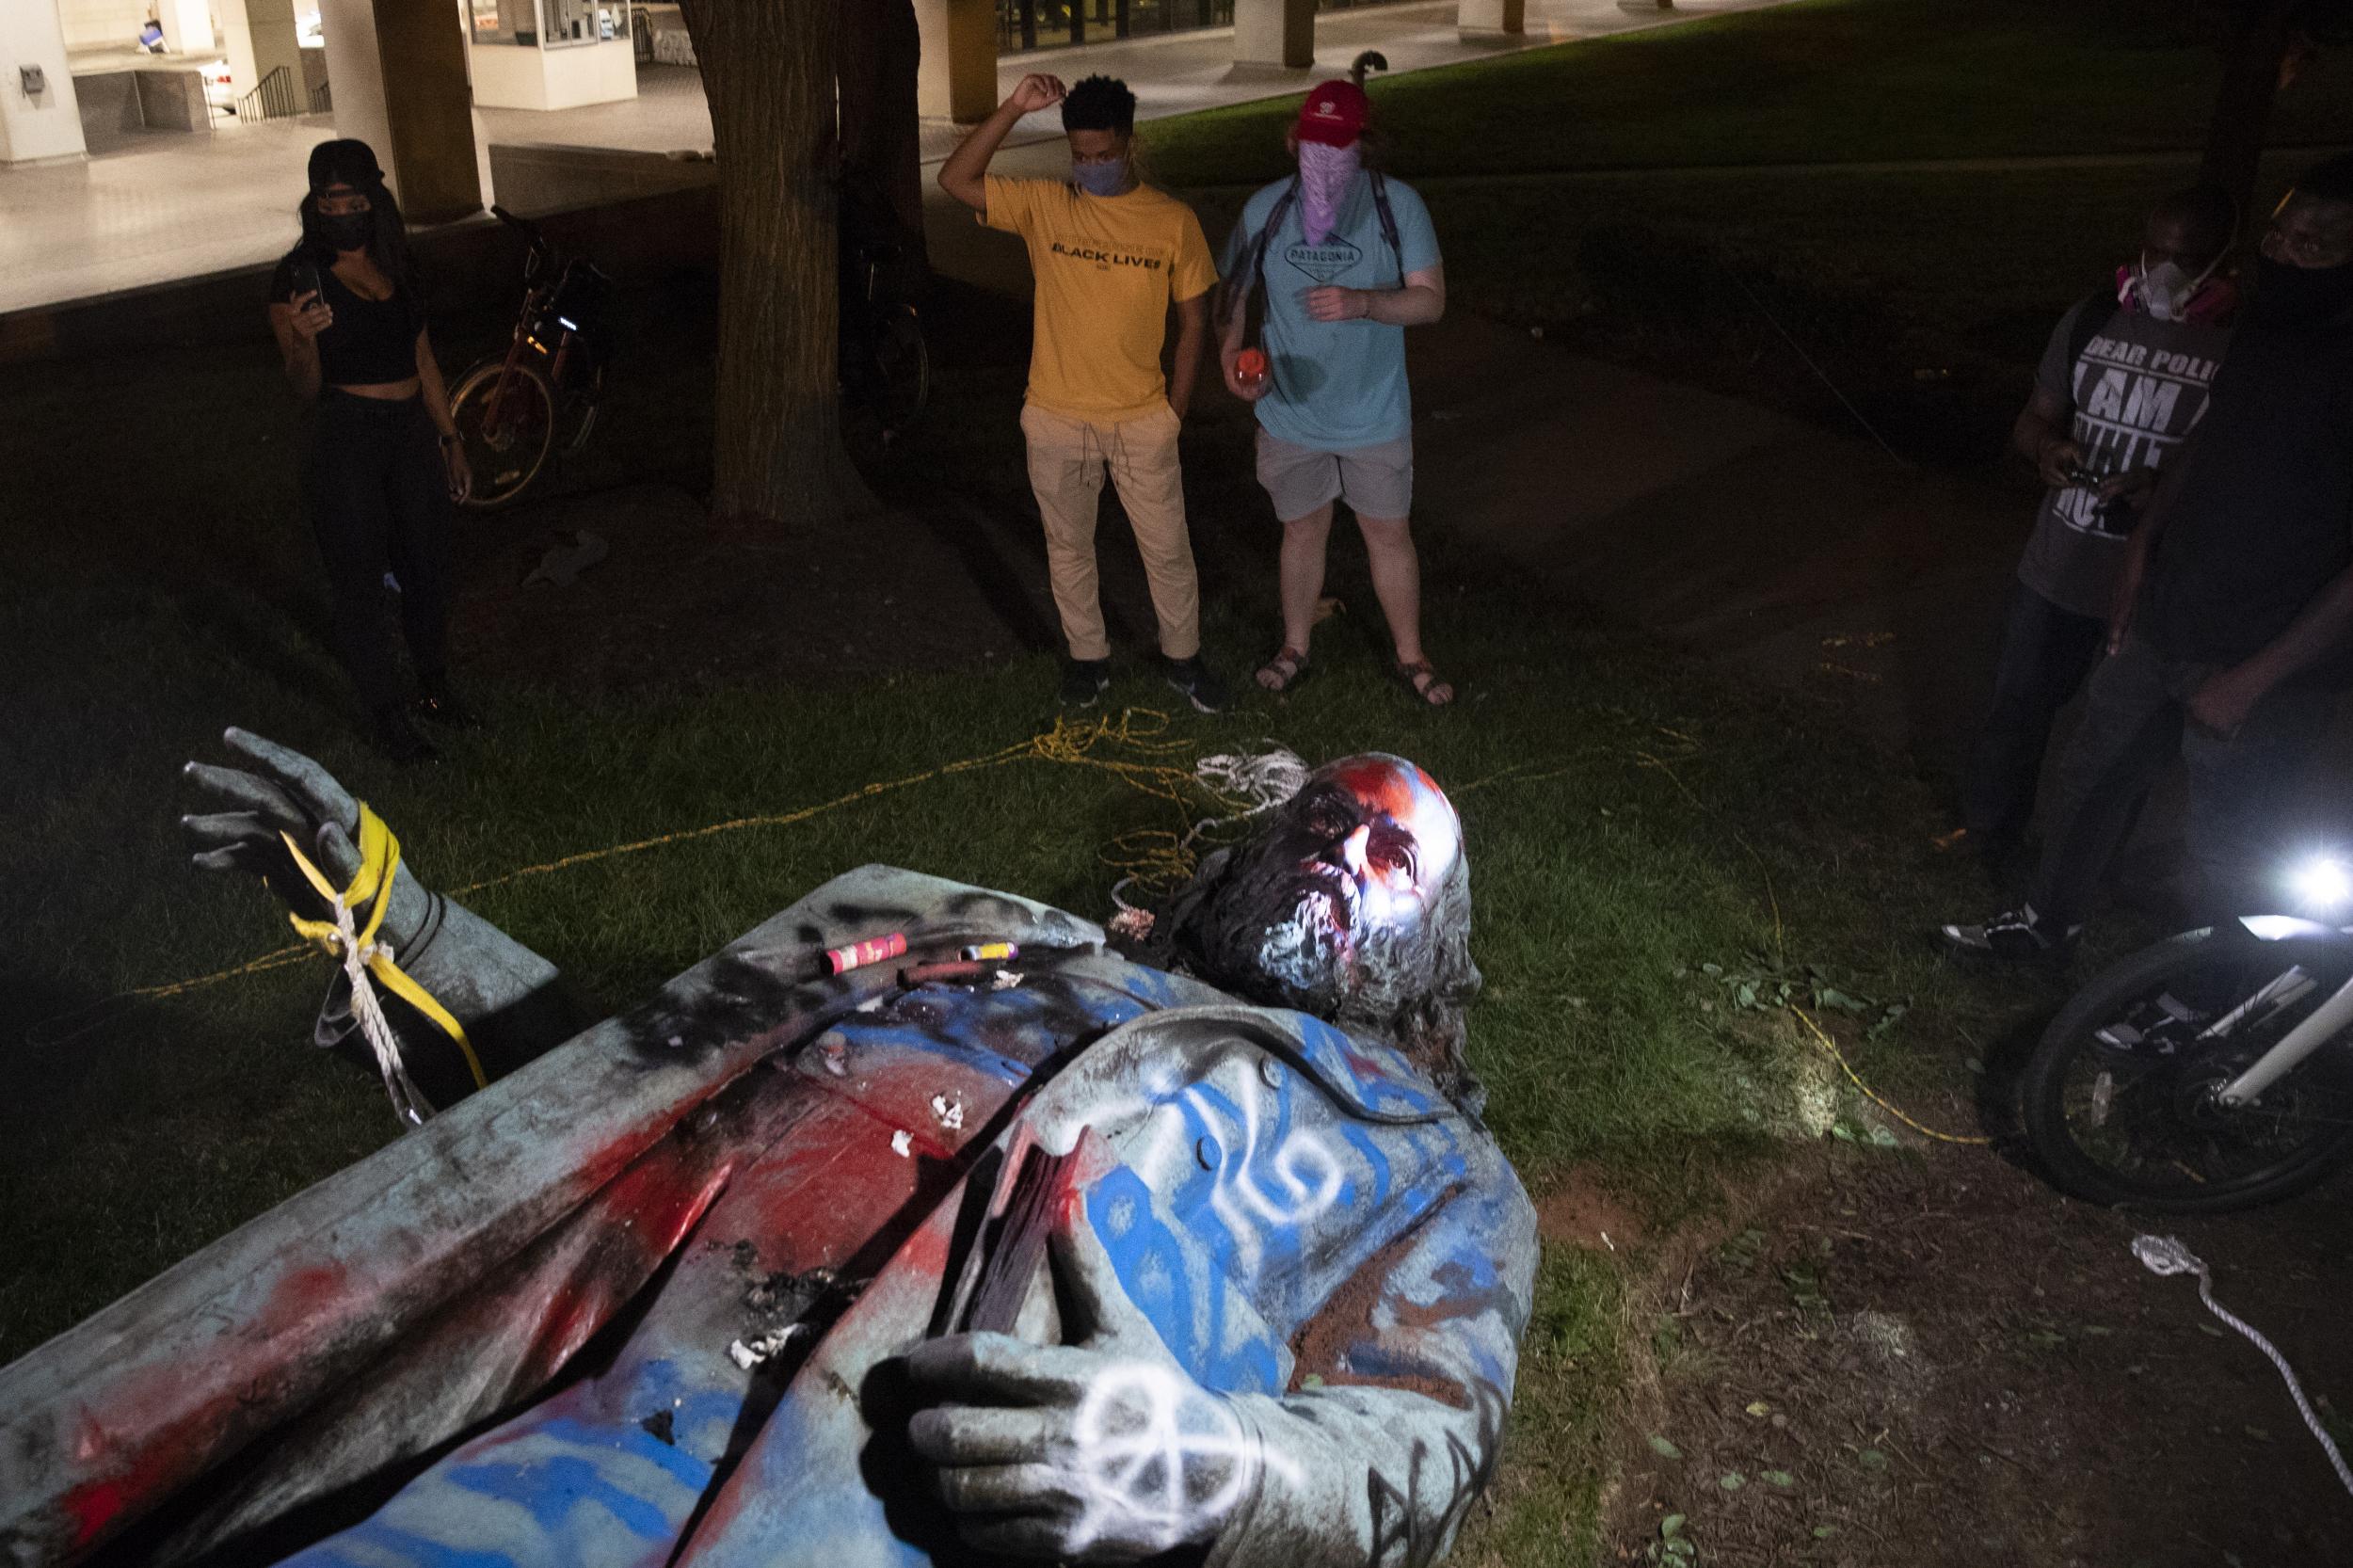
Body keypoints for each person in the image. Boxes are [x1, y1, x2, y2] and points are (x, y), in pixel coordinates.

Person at [8, 733, 1534, 1567]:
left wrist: (1210, 1471)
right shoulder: (968, 934)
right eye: (1329, 813)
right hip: (581, 1448)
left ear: (1431, 950)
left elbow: (1411, 1455)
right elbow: (627, 1088)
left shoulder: (1419, 1167)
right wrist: (398, 922)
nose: (1344, 843)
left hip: (875, 1519)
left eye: (1394, 851)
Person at [1944, 154, 2353, 961]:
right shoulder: (2271, 332)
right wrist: (2140, 552)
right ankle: (2044, 922)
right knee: (2093, 774)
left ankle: (2211, 1009)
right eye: (2281, 234)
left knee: (2233, 850)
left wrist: (2257, 677)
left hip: (2262, 656)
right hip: (2168, 614)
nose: (2288, 254)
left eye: (2315, 245)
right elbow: (2208, 445)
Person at [1959, 186, 2238, 872]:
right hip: (2056, 565)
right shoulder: (2090, 320)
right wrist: (2047, 450)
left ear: (2223, 262)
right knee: (2017, 712)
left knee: (2116, 746)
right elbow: (2033, 419)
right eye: (2157, 251)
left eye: (2189, 257)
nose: (2166, 271)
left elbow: (2238, 473)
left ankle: (2074, 873)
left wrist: (2161, 490)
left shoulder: (2242, 349)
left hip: (2148, 587)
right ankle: (1985, 844)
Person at [939, 74, 1230, 713]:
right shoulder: (1046, 205)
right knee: (1068, 549)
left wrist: (1172, 415)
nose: (1090, 168)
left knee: (1167, 551)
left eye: (1102, 156)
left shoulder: (1172, 222)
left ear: (1128, 144)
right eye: (1079, 156)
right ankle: (1087, 661)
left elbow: (1194, 324)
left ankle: (1184, 659)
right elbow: (955, 181)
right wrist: (1013, 108)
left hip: (1140, 420)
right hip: (1056, 415)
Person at [1217, 55, 1452, 706]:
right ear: (1295, 141)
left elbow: (1430, 301)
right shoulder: (1266, 209)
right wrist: (1232, 357)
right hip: (1290, 413)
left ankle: (1411, 657)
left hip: (1373, 414)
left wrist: (1365, 302)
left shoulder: (1395, 205)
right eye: (1314, 143)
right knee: (1302, 530)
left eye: (1338, 144)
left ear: (1361, 146)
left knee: (1387, 534)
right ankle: (1295, 648)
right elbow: (1232, 294)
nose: (1324, 155)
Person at [266, 138, 474, 765]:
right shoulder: (300, 277)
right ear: (314, 205)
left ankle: (433, 690)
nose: (342, 213)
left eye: (354, 200)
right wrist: (303, 342)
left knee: (423, 566)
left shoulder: (397, 264)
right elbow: (304, 386)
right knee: (358, 581)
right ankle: (387, 718)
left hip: (410, 431)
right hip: (347, 436)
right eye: (329, 203)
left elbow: (424, 359)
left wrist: (450, 437)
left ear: (375, 200)